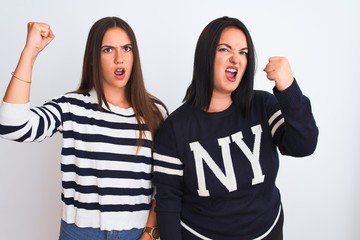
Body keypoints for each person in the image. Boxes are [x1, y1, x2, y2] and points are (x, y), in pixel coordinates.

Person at [0, 17, 167, 240]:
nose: (120, 58)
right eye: (108, 50)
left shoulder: (155, 112)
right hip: (80, 233)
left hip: (136, 234)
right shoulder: (72, 107)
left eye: (126, 48)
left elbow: (166, 183)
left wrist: (149, 233)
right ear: (93, 59)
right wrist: (30, 52)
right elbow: (11, 125)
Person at [152, 16, 319, 240]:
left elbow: (304, 145)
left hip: (268, 232)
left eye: (243, 52)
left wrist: (289, 88)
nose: (235, 59)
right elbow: (168, 202)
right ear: (205, 55)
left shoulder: (264, 106)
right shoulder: (175, 128)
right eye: (225, 49)